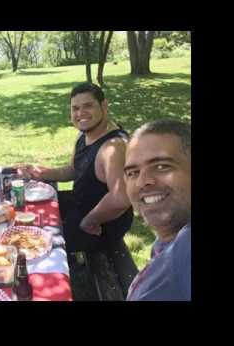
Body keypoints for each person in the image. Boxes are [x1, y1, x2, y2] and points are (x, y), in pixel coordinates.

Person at [17, 82, 133, 255]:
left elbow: (120, 199)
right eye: (75, 108)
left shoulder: (113, 147)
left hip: (101, 224)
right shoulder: (84, 134)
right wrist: (42, 173)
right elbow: (74, 169)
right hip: (79, 203)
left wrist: (89, 220)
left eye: (88, 106)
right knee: (28, 210)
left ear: (104, 106)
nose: (80, 114)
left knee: (35, 243)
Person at [123, 120, 191, 301]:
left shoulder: (186, 246)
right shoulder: (168, 242)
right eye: (133, 172)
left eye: (162, 166)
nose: (142, 182)